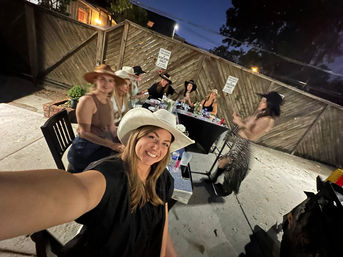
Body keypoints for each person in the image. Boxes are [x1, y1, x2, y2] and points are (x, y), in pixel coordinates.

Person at [0, 108, 195, 257]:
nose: (156, 147)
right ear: (136, 137)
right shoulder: (108, 176)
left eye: (165, 143)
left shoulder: (164, 180)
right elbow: (77, 191)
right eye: (152, 136)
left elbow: (161, 226)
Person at [209, 91, 283, 196]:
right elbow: (246, 123)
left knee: (233, 168)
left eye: (263, 101)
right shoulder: (260, 114)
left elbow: (252, 135)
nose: (260, 103)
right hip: (238, 142)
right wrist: (239, 119)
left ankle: (226, 189)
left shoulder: (268, 120)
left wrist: (240, 123)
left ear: (269, 105)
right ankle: (215, 180)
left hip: (243, 145)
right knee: (223, 162)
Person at [67, 64, 125, 172]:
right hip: (85, 151)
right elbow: (84, 133)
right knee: (117, 168)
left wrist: (125, 138)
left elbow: (112, 128)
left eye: (111, 80)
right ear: (95, 80)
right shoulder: (87, 101)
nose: (106, 83)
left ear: (113, 85)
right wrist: (112, 145)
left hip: (101, 145)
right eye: (102, 79)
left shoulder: (108, 102)